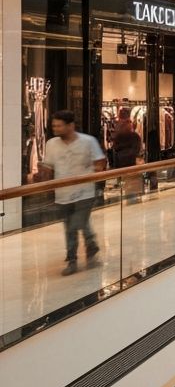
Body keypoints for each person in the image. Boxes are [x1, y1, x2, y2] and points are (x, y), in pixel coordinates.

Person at [42, 110, 105, 275]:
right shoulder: (51, 144)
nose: (55, 128)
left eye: (59, 125)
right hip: (62, 194)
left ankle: (72, 259)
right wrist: (42, 182)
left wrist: (97, 173)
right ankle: (91, 244)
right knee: (74, 223)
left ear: (70, 126)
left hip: (85, 193)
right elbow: (48, 166)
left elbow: (100, 162)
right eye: (54, 125)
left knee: (72, 226)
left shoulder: (88, 141)